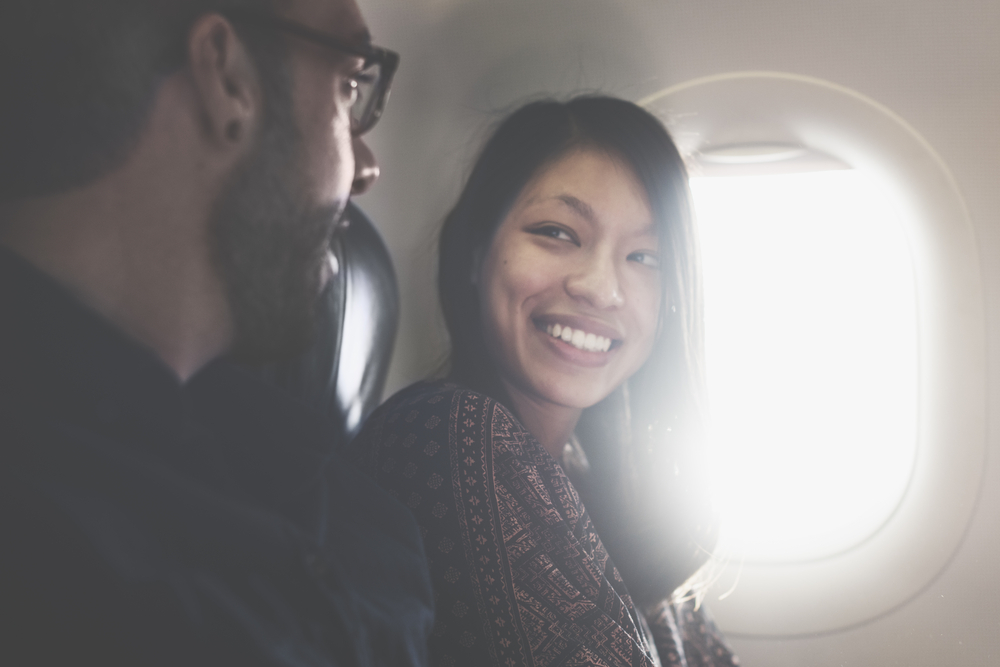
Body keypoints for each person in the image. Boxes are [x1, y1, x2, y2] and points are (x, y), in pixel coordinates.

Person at [0, 1, 432, 664]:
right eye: (348, 86)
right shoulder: (77, 574)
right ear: (226, 76)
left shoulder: (273, 441)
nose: (367, 166)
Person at [351, 96, 739, 666]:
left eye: (646, 259)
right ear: (476, 252)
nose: (601, 288)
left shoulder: (606, 485)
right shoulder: (447, 436)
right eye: (557, 232)